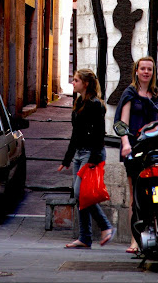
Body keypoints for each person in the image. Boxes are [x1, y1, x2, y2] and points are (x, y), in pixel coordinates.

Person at [114, 56, 158, 254]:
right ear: (136, 71)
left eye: (149, 69)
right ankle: (135, 240)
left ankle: (155, 236)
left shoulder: (156, 95)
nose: (146, 72)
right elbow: (122, 124)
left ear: (153, 72)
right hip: (134, 150)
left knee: (154, 196)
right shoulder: (130, 94)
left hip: (153, 151)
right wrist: (126, 144)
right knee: (135, 195)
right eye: (142, 68)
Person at [58, 69, 113, 249]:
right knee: (78, 195)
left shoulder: (95, 105)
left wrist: (94, 159)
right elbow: (76, 134)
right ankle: (85, 238)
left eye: (76, 80)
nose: (73, 83)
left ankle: (105, 226)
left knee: (82, 194)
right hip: (80, 153)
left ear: (85, 83)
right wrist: (66, 159)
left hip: (91, 153)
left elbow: (99, 134)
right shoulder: (79, 101)